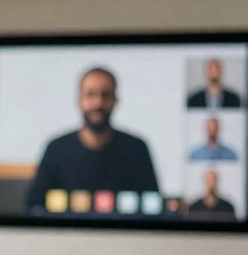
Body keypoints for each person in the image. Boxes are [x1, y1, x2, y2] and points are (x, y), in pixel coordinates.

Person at [25, 67, 160, 212]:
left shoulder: (137, 149)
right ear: (79, 100)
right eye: (90, 95)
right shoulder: (56, 149)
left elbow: (153, 207)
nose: (98, 103)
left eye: (105, 95)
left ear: (115, 100)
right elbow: (34, 207)